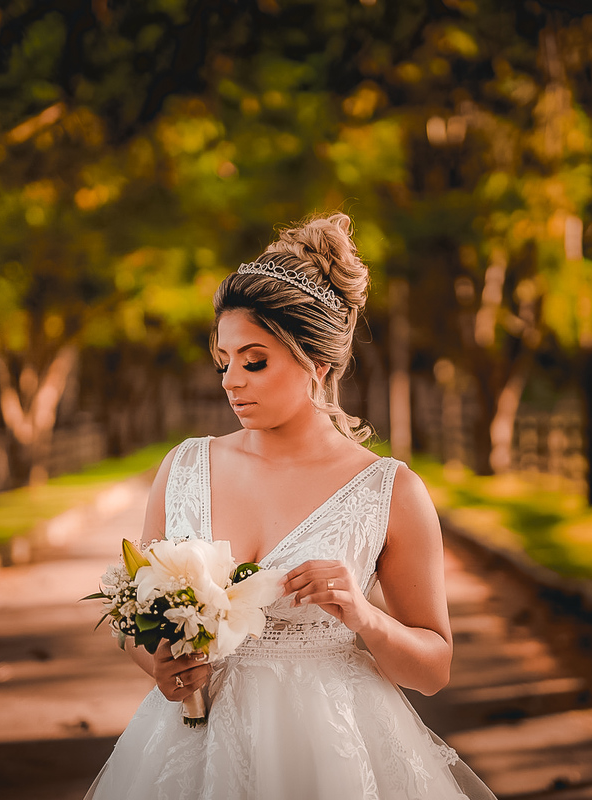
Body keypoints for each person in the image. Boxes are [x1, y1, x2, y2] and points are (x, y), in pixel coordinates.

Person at [84, 214, 496, 800]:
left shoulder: (390, 491)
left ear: (317, 364)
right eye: (224, 361)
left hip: (331, 752)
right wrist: (161, 668)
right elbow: (137, 623)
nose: (231, 382)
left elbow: (433, 670)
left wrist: (363, 614)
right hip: (190, 754)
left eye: (255, 361)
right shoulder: (184, 468)